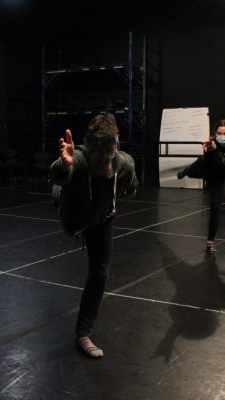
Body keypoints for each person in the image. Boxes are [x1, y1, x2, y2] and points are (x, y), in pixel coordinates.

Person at [50, 114, 138, 358]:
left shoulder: (124, 164)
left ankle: (83, 334)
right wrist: (65, 165)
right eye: (95, 151)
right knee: (60, 186)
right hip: (75, 213)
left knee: (99, 274)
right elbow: (56, 173)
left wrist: (127, 188)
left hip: (101, 218)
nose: (100, 156)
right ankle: (58, 196)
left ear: (114, 147)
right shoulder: (78, 157)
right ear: (89, 147)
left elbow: (131, 186)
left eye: (105, 152)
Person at [177, 119, 225, 253]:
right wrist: (209, 150)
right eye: (219, 133)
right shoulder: (211, 142)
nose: (222, 136)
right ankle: (184, 172)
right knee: (191, 171)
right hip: (205, 169)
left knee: (215, 207)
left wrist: (216, 150)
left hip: (218, 177)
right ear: (215, 133)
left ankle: (210, 243)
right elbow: (206, 163)